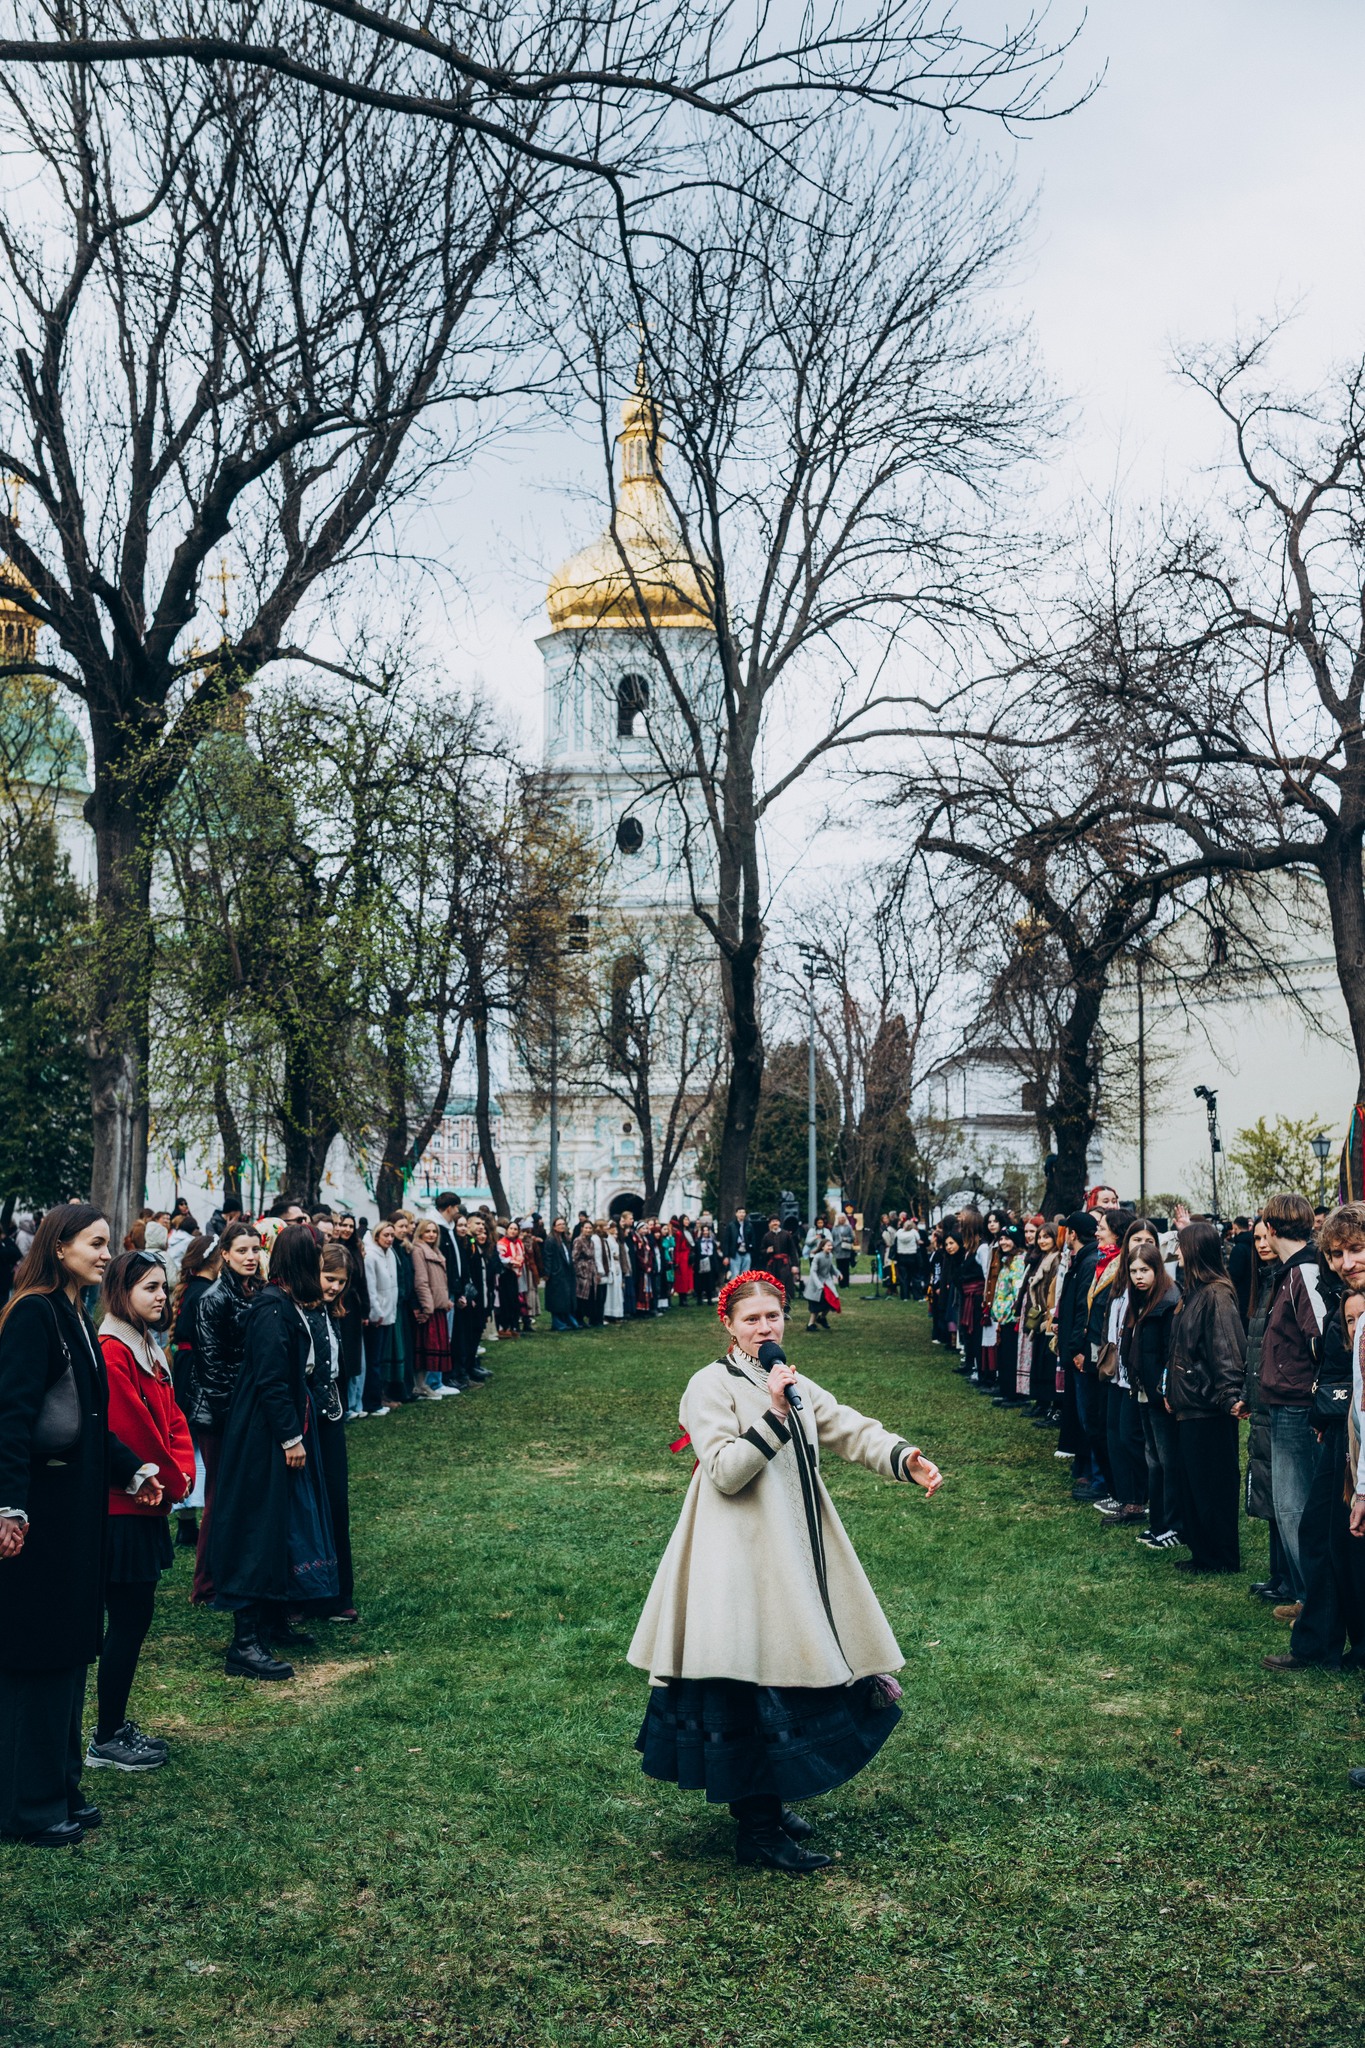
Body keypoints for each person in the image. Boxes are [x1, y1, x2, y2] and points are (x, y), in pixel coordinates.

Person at [629, 1270, 942, 1873]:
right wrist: (772, 1417)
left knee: (786, 1678)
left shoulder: (787, 1380)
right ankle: (758, 1827)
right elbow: (722, 1470)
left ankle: (765, 1806)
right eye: (751, 1319)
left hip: (791, 1555)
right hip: (736, 1565)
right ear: (728, 1325)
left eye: (772, 1316)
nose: (764, 1328)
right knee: (746, 1687)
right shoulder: (708, 1385)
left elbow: (845, 1425)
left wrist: (905, 1458)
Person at [0, 1204, 164, 1846]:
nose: (105, 1254)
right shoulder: (34, 1313)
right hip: (40, 1513)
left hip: (76, 1515)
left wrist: (132, 1470)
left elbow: (92, 1421)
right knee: (39, 1654)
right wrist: (9, 1507)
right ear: (59, 1245)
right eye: (95, 1244)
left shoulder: (73, 1314)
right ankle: (28, 1805)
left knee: (72, 1650)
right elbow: (9, 1418)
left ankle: (61, 1784)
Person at [209, 1225, 339, 1679]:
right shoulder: (270, 1307)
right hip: (262, 1435)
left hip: (278, 1428)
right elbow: (269, 1379)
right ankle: (244, 1642)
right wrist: (289, 1436)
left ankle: (272, 1618)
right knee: (257, 1526)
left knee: (281, 1523)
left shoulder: (282, 1302)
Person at [88, 1250, 197, 1771]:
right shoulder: (113, 1350)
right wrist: (168, 1476)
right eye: (150, 1287)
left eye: (162, 1286)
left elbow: (172, 1421)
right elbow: (130, 1429)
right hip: (124, 1507)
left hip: (147, 1500)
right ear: (121, 1291)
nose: (160, 1296)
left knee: (134, 1619)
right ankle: (107, 1734)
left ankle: (112, 1727)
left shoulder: (146, 1348)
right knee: (127, 1619)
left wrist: (180, 1472)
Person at [1264, 1202, 1365, 1672]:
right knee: (1324, 1533)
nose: (1349, 1263)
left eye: (1358, 1249)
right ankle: (1318, 1643)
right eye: (1339, 1253)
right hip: (1344, 1434)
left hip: (1357, 1441)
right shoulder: (1349, 1303)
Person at [1257, 1191, 1333, 1613]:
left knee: (1294, 1506)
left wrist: (1313, 1392)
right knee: (1289, 1506)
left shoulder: (1303, 1270)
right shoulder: (1290, 1271)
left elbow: (1323, 1335)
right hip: (1287, 1401)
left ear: (1270, 1227)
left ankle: (1315, 1601)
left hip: (1298, 1407)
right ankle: (1309, 1598)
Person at [1165, 1221, 1246, 1575]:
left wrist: (1229, 1396)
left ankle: (1220, 1557)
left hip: (1209, 1408)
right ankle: (1204, 1553)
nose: (1177, 1254)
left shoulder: (1216, 1294)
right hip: (1191, 1406)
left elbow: (1227, 1348)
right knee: (1194, 1485)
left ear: (1195, 1250)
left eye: (1181, 1246)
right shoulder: (1194, 1294)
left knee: (1213, 1487)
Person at [191, 1220, 263, 1605]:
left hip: (242, 1408)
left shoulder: (252, 1291)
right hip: (218, 1415)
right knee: (219, 1495)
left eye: (255, 1250)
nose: (250, 1257)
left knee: (235, 1495)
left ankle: (227, 1572)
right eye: (242, 1251)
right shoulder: (213, 1298)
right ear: (225, 1255)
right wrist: (233, 1415)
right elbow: (212, 1368)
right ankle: (205, 1583)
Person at [1239, 1220, 1289, 1603]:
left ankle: (1289, 1578)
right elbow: (1254, 1350)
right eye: (1255, 1239)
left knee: (1283, 1494)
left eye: (1264, 1236)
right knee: (1269, 1492)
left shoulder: (1285, 1282)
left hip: (1279, 1403)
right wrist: (1245, 1392)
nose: (1261, 1244)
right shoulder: (1266, 1282)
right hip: (1261, 1402)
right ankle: (1278, 1574)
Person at [310, 1246, 357, 1623]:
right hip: (307, 1416)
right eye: (330, 1279)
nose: (335, 1287)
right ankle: (309, 1593)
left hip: (331, 1413)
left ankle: (340, 1593)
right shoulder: (301, 1311)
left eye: (341, 1282)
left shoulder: (334, 1312)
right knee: (310, 1505)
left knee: (336, 1503)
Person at [167, 1233, 220, 1549]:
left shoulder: (189, 1290)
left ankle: (187, 1521)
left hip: (186, 1370)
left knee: (188, 1444)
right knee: (200, 1445)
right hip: (199, 1372)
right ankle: (195, 1518)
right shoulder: (205, 1293)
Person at [411, 1219, 455, 1397]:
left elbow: (440, 1282)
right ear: (420, 1233)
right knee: (424, 1349)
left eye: (434, 1231)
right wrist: (427, 1307)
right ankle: (419, 1384)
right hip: (429, 1307)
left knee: (433, 1349)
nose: (431, 1234)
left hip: (438, 1306)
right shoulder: (418, 1251)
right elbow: (421, 1281)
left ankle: (424, 1383)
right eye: (427, 1231)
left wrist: (444, 1301)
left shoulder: (436, 1251)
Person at [362, 1219, 402, 1407]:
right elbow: (371, 1288)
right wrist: (376, 1313)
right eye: (386, 1235)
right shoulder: (371, 1256)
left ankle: (380, 1396)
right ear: (377, 1236)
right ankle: (372, 1401)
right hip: (377, 1316)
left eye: (392, 1235)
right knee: (374, 1360)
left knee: (380, 1359)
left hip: (389, 1313)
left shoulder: (390, 1254)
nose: (390, 1239)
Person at [543, 1218, 577, 1331]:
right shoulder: (551, 1240)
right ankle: (558, 1323)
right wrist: (548, 1273)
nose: (562, 1226)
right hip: (556, 1273)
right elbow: (547, 1257)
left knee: (565, 1299)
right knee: (557, 1299)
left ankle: (566, 1321)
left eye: (563, 1224)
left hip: (566, 1273)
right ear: (554, 1227)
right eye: (559, 1224)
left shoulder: (565, 1239)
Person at [803, 1233, 840, 1332]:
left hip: (826, 1283)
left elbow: (831, 1267)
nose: (830, 1247)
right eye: (828, 1245)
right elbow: (813, 1271)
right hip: (816, 1285)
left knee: (831, 1301)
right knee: (815, 1306)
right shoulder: (817, 1257)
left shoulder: (830, 1256)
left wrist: (838, 1274)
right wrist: (818, 1284)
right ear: (822, 1247)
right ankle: (810, 1324)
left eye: (831, 1246)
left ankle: (822, 1318)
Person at [693, 1217, 721, 1305]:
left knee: (710, 1281)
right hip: (701, 1262)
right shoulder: (698, 1242)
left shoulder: (712, 1242)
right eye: (704, 1230)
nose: (705, 1232)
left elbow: (715, 1254)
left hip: (711, 1262)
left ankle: (709, 1298)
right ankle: (699, 1299)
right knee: (700, 1281)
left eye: (707, 1230)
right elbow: (696, 1253)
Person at [722, 1208, 751, 1282]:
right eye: (740, 1212)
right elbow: (726, 1241)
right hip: (735, 1252)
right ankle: (734, 1292)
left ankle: (744, 1291)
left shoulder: (749, 1225)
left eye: (743, 1212)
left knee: (746, 1274)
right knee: (735, 1274)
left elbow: (752, 1238)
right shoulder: (731, 1225)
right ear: (736, 1214)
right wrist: (726, 1256)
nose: (741, 1214)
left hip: (746, 1251)